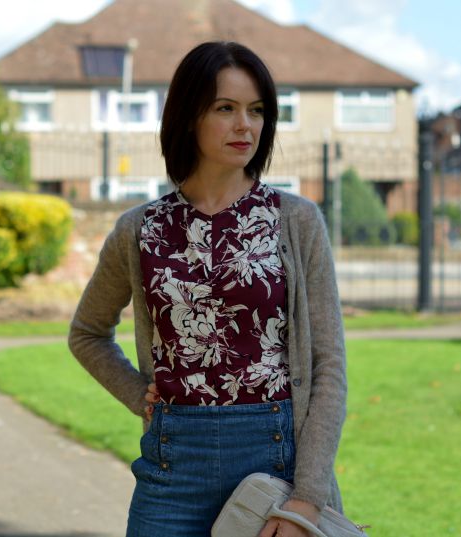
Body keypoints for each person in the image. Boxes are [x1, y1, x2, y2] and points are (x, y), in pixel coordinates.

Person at [68, 41, 346, 537]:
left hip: (276, 465)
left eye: (257, 111)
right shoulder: (140, 229)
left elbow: (328, 367)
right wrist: (138, 394)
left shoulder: (296, 221)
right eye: (226, 108)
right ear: (189, 115)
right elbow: (87, 332)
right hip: (173, 469)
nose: (247, 125)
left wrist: (306, 500)